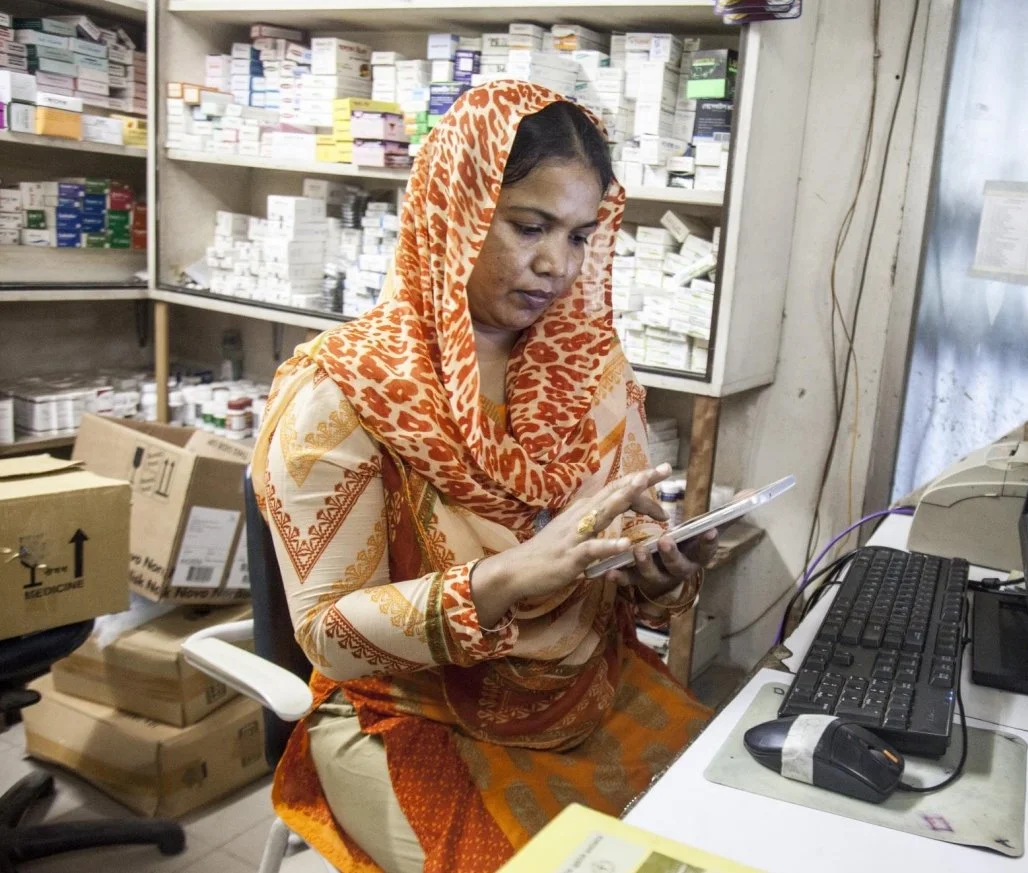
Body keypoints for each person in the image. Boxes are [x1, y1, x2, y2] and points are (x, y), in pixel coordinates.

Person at [250, 82, 716, 873]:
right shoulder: (347, 388)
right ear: (453, 211)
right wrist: (499, 580)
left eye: (577, 236)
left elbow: (622, 548)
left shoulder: (588, 371)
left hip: (592, 695)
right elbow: (328, 632)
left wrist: (661, 573)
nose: (554, 266)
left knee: (725, 828)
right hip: (413, 717)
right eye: (529, 226)